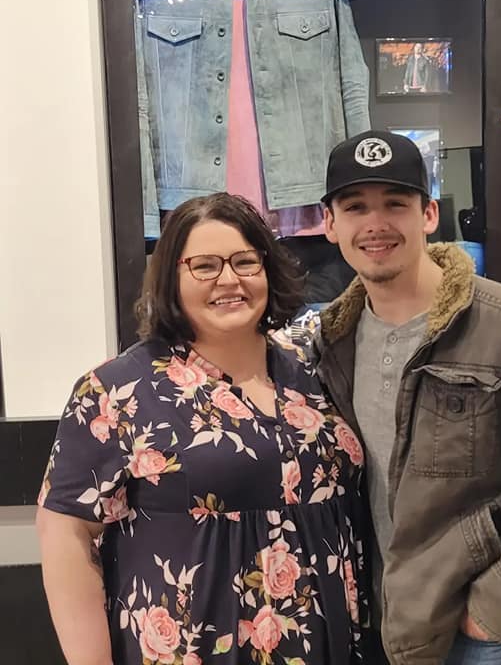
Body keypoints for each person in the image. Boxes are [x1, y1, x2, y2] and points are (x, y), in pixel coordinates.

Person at [316, 130, 501, 665]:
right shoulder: (331, 343)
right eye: (355, 206)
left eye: (396, 203)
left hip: (480, 641)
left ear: (430, 214)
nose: (375, 224)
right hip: (374, 630)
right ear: (330, 222)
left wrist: (500, 609)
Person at [36, 193, 368, 665]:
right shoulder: (118, 390)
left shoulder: (316, 372)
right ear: (171, 277)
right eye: (205, 266)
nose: (229, 280)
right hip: (194, 647)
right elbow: (65, 532)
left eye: (245, 262)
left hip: (330, 642)